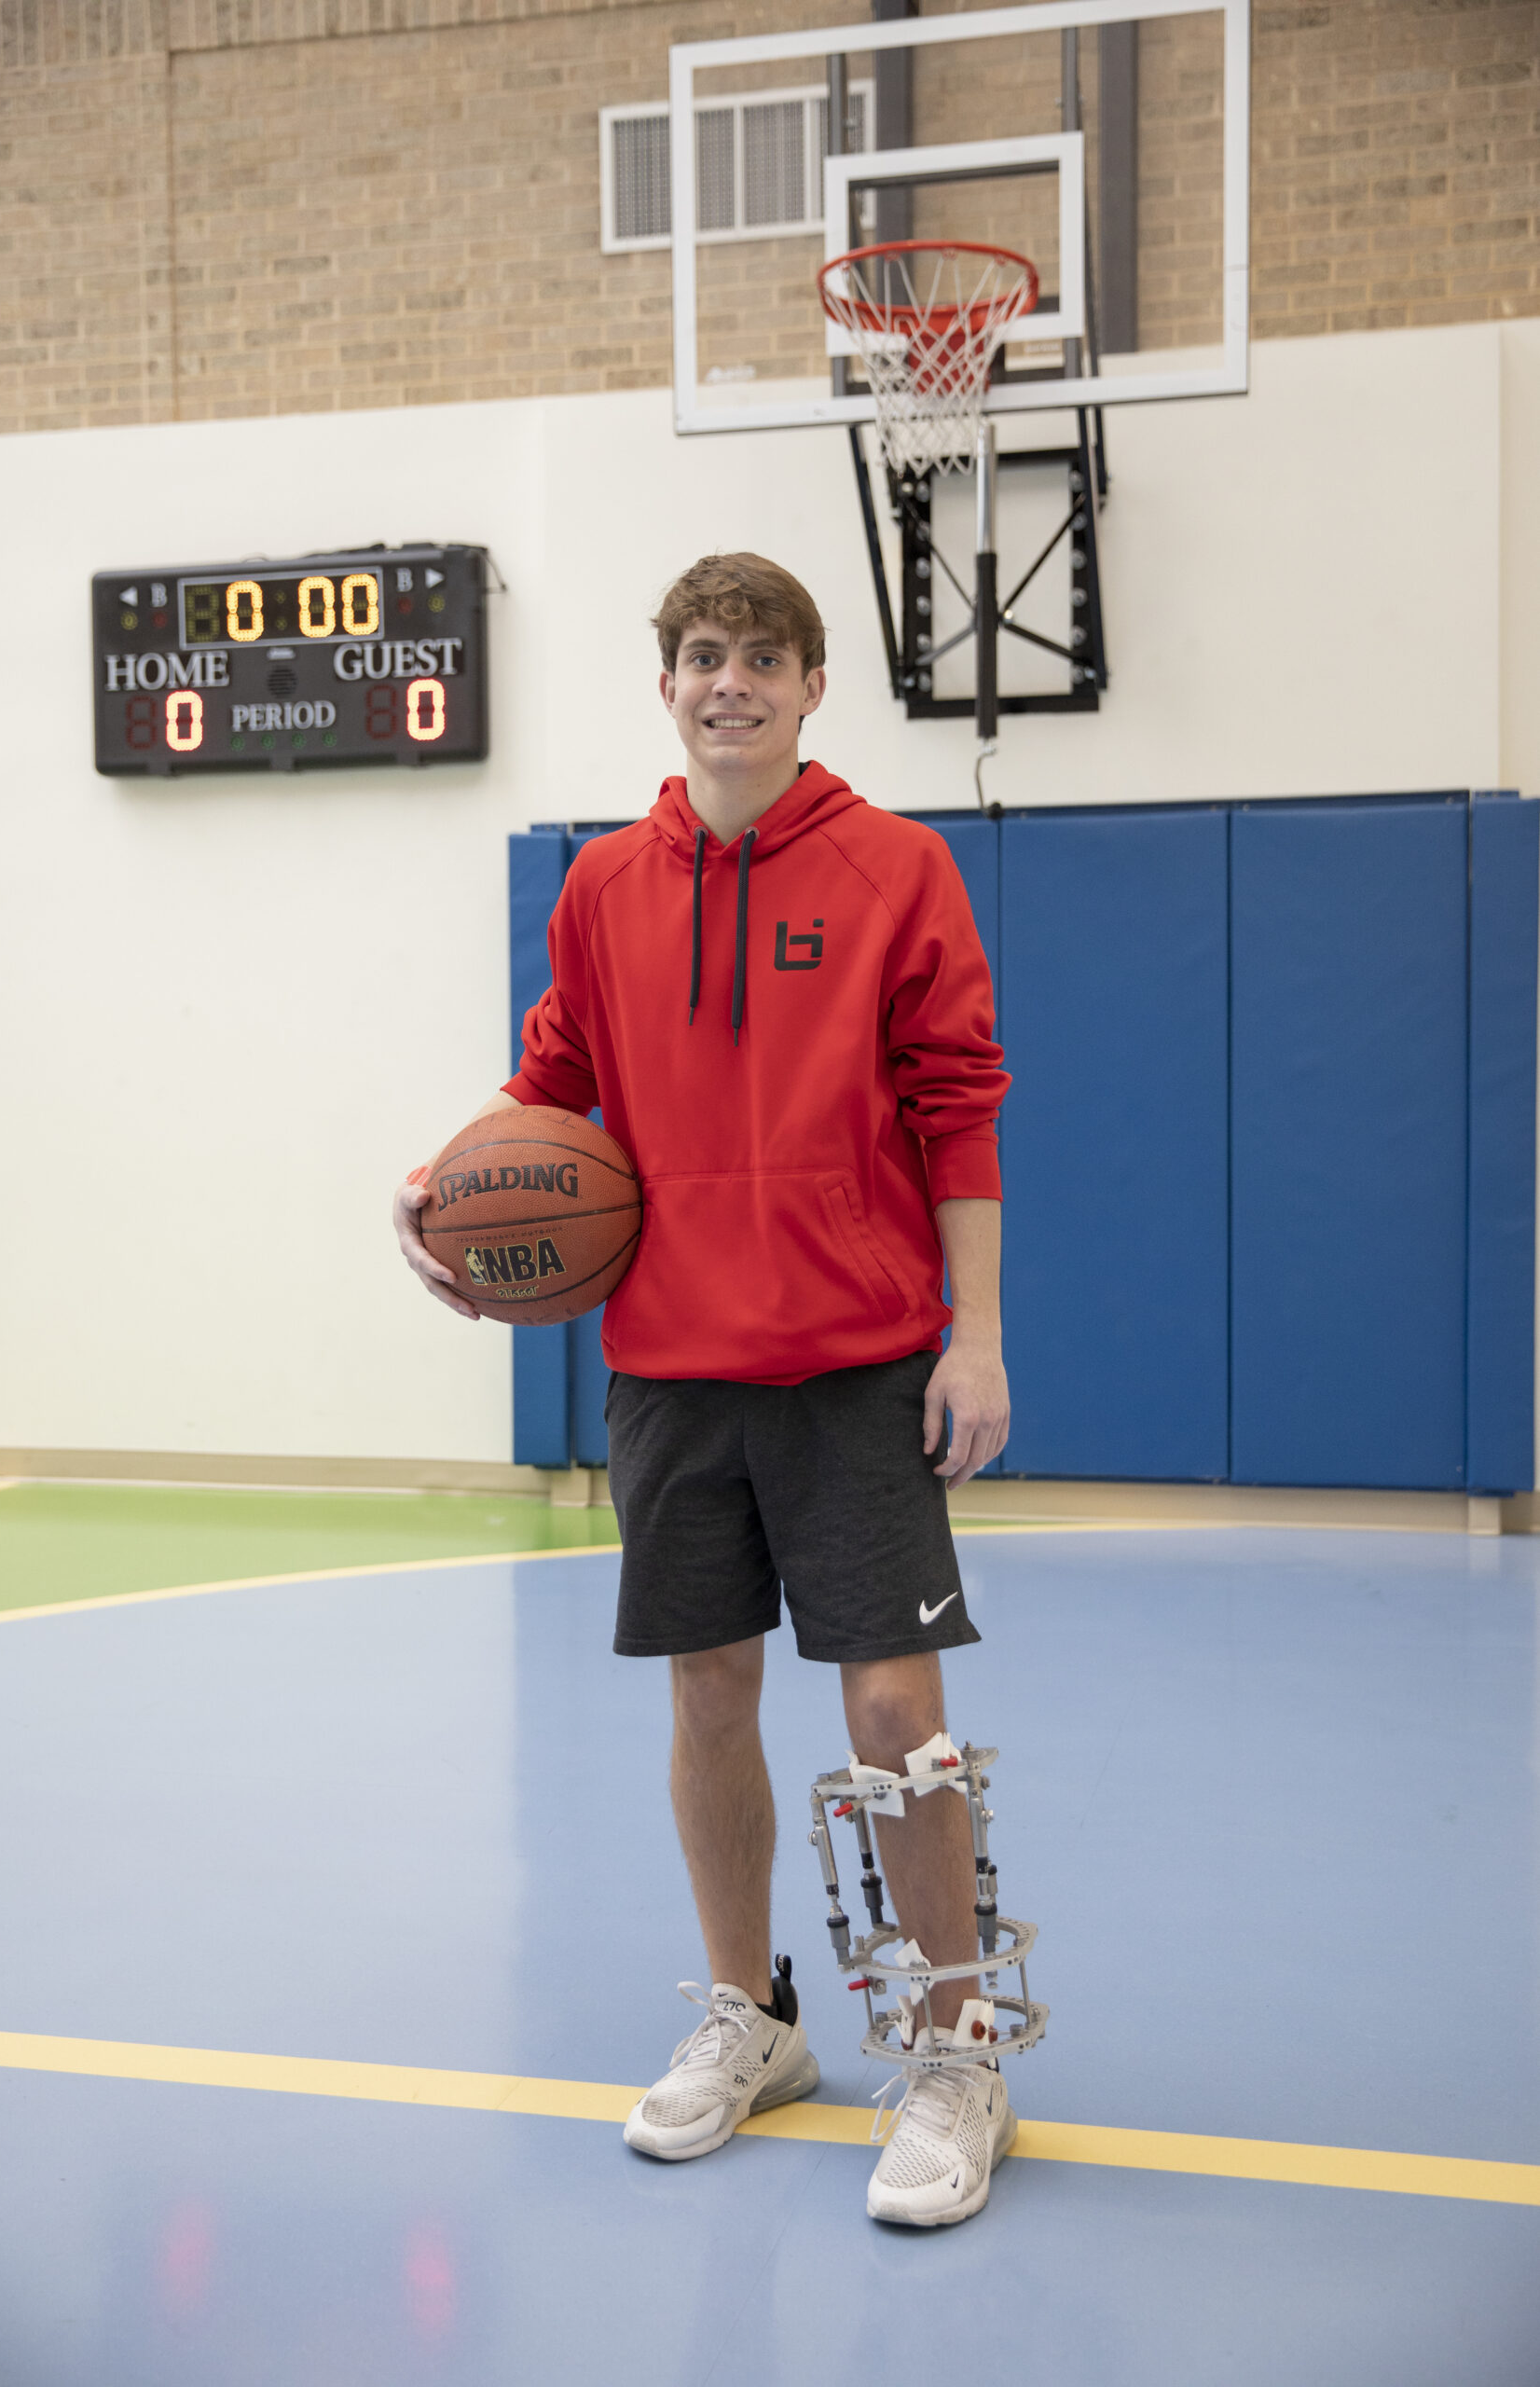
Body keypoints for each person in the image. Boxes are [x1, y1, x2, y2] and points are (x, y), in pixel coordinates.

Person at [393, 553, 1014, 2228]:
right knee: (709, 1700)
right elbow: (551, 1091)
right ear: (665, 683)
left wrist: (974, 1335)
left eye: (760, 655)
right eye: (701, 655)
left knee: (893, 1715)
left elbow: (959, 1102)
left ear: (812, 685)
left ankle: (955, 2047)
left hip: (856, 1359)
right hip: (670, 1369)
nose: (728, 681)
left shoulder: (897, 868)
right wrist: (438, 1191)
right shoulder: (604, 885)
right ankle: (756, 2017)